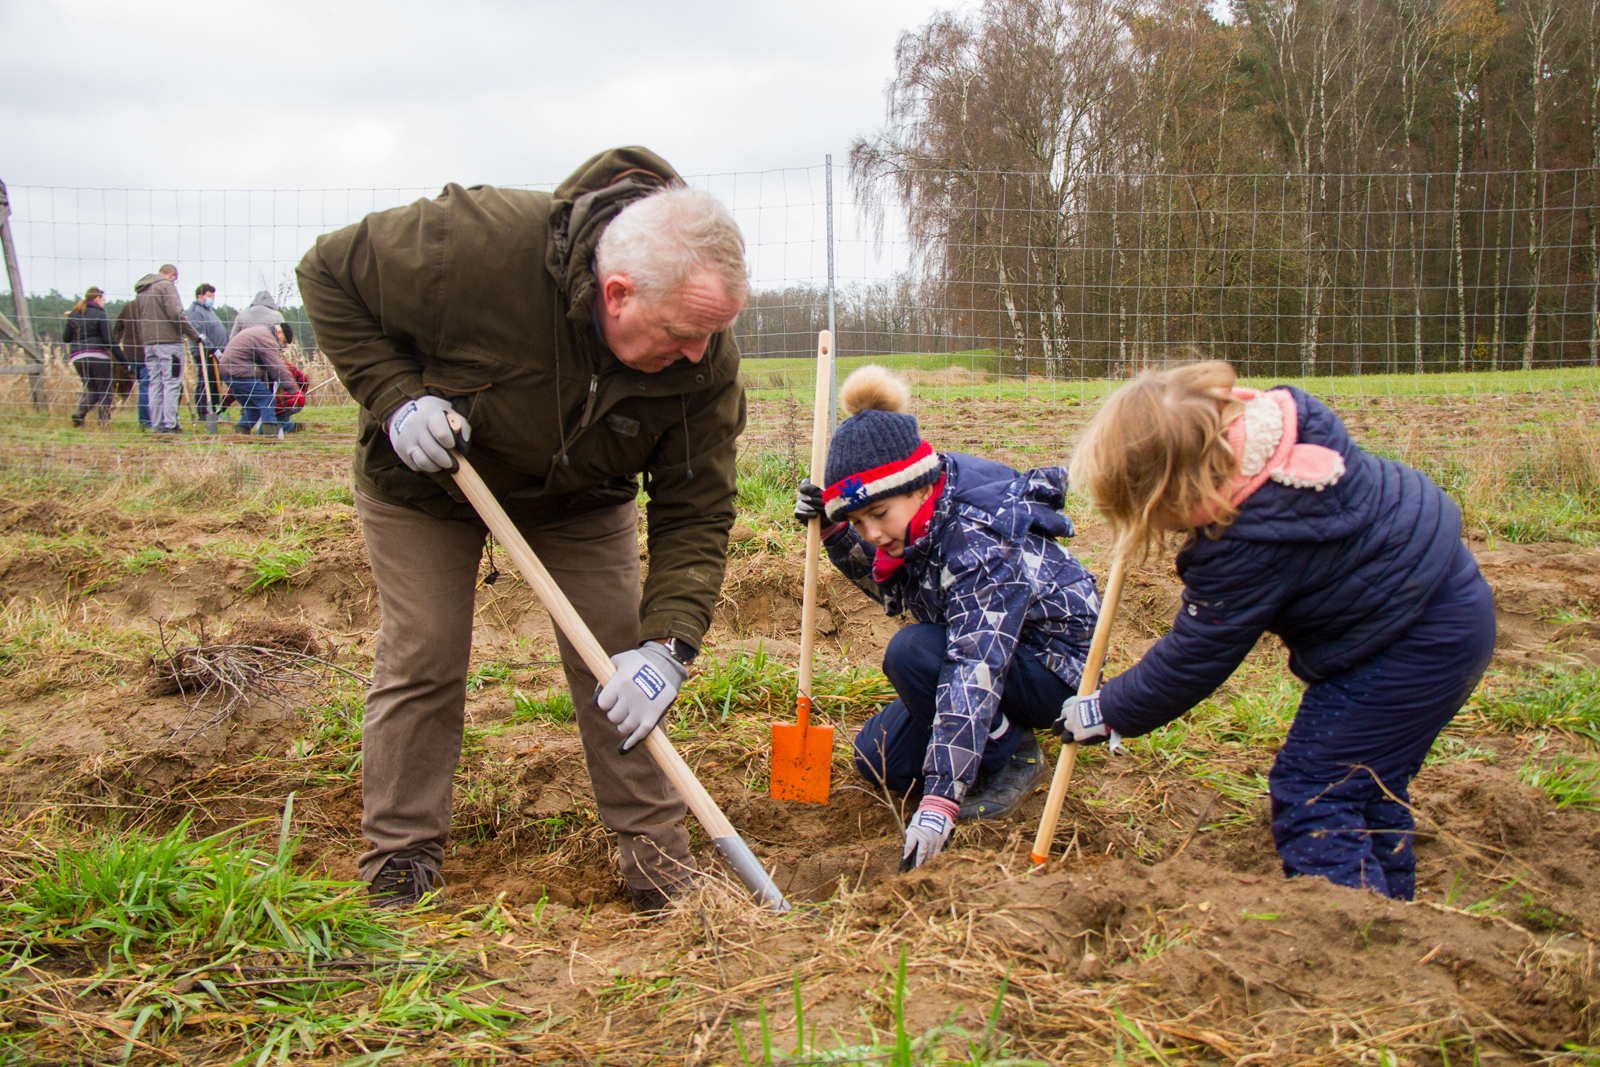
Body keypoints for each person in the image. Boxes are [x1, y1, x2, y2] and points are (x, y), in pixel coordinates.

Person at [297, 147, 749, 912]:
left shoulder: (703, 359)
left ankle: (659, 866)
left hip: (581, 496)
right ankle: (400, 863)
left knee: (616, 660)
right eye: (680, 333)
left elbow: (695, 507)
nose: (697, 355)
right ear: (617, 292)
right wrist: (396, 397)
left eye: (711, 335)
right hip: (431, 478)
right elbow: (326, 273)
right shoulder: (471, 245)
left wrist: (668, 647)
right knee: (426, 651)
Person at [1062, 361, 1496, 901]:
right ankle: (1393, 918)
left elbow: (1195, 655)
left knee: (1315, 790)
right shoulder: (1284, 444)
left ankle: (1353, 931)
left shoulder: (1246, 544)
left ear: (1173, 491)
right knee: (1367, 783)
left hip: (1409, 646)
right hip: (1448, 603)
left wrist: (1108, 709)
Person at [793, 366, 1100, 871]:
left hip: (1056, 668)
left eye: (878, 516)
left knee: (913, 652)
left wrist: (939, 802)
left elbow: (973, 667)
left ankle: (1013, 755)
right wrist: (832, 533)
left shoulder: (978, 541)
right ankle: (990, 737)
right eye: (856, 522)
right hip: (995, 652)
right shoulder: (920, 519)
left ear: (916, 487)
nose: (870, 533)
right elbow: (899, 585)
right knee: (879, 757)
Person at [130, 264, 200, 434]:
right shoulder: (166, 286)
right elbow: (176, 313)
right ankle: (170, 424)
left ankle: (157, 425)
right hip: (169, 343)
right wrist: (194, 335)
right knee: (171, 383)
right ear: (172, 275)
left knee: (155, 384)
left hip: (149, 345)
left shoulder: (142, 291)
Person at [61, 287, 125, 427]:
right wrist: (123, 361)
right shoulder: (99, 314)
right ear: (97, 298)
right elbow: (110, 340)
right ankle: (103, 424)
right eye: (103, 299)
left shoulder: (74, 314)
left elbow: (66, 338)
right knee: (105, 391)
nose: (103, 302)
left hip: (78, 357)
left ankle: (80, 411)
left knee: (92, 389)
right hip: (98, 356)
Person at [218, 322, 296, 435]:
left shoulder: (260, 332)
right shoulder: (268, 339)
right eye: (283, 341)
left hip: (227, 371)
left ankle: (240, 432)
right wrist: (294, 390)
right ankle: (270, 434)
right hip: (238, 371)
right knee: (267, 399)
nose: (281, 345)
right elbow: (276, 367)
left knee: (253, 406)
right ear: (279, 332)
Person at [185, 283, 230, 424]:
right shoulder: (194, 311)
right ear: (200, 296)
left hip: (218, 352)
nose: (212, 298)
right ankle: (203, 413)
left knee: (216, 383)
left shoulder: (209, 310)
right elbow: (199, 333)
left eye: (213, 295)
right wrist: (213, 349)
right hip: (205, 353)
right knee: (205, 382)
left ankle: (216, 411)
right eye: (209, 295)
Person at [113, 300, 150, 429]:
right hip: (147, 352)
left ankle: (147, 420)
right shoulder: (150, 304)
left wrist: (116, 346)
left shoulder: (128, 306)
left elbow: (117, 328)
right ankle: (146, 421)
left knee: (143, 384)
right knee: (147, 386)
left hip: (130, 353)